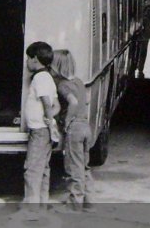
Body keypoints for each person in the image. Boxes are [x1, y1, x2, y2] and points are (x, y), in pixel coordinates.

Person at [51, 50, 94, 212]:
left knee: (73, 168)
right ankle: (89, 202)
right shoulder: (78, 82)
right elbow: (85, 100)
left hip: (75, 129)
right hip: (85, 126)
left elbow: (73, 101)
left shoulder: (62, 85)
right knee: (84, 167)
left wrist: (67, 121)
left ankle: (74, 204)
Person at [22, 41, 60, 211]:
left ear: (35, 59)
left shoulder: (40, 78)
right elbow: (56, 105)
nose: (26, 62)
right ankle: (42, 203)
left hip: (39, 130)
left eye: (27, 58)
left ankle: (32, 206)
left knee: (32, 169)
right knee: (43, 168)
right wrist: (51, 119)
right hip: (44, 130)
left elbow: (46, 102)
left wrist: (48, 118)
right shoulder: (48, 77)